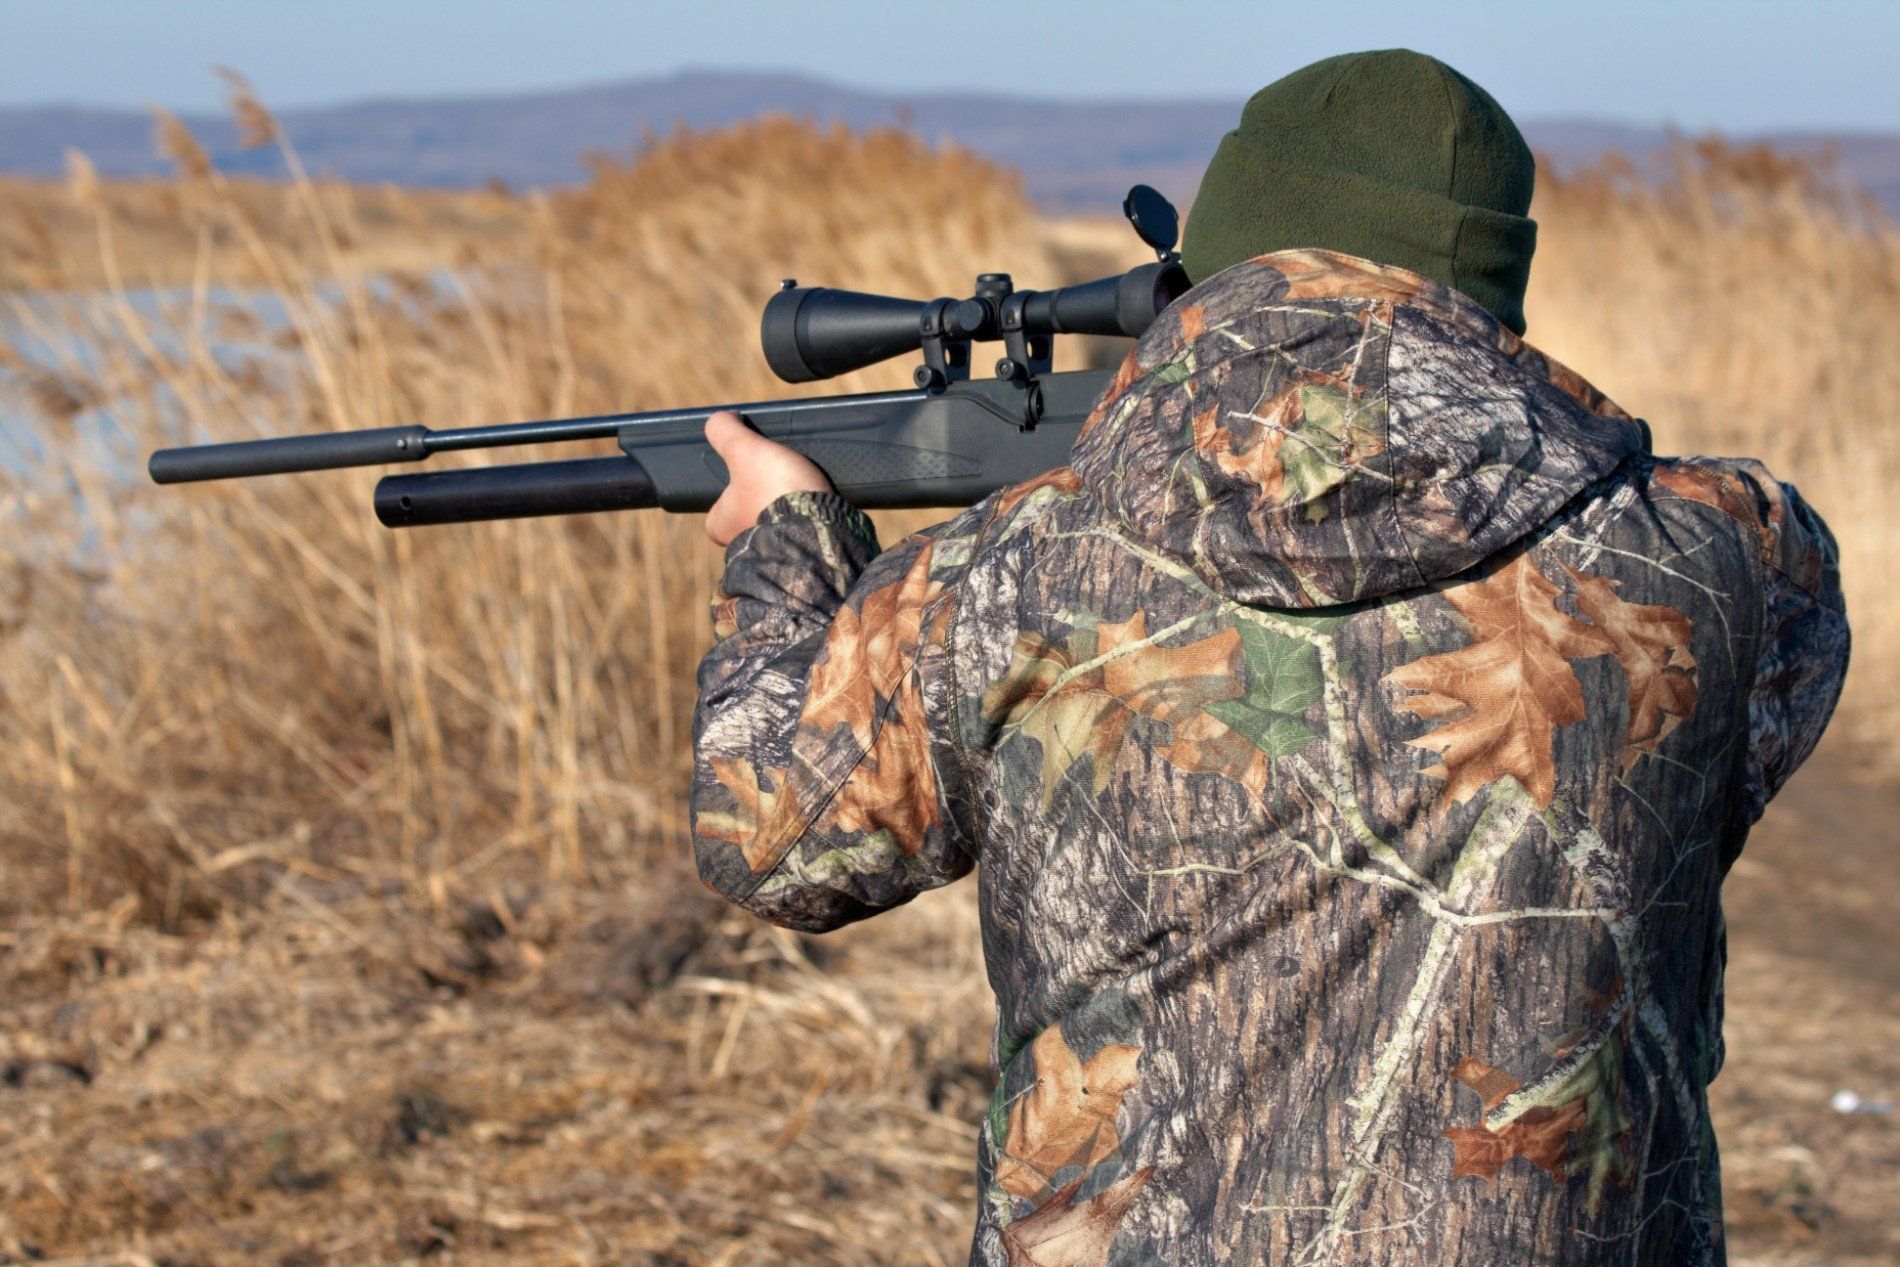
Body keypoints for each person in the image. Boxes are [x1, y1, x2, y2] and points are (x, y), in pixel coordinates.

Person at [689, 48, 1848, 1265]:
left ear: (1214, 263)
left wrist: (789, 551)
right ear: (1492, 281)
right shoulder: (1729, 555)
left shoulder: (1004, 570)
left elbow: (772, 845)